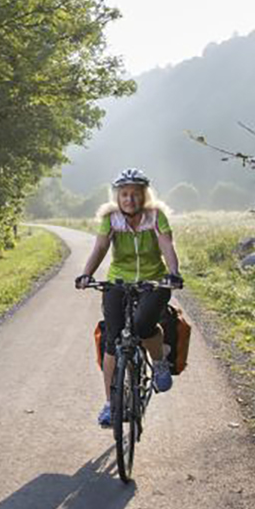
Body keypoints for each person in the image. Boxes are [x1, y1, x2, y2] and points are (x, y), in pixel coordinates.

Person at [74, 168, 184, 428]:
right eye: (124, 194)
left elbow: (167, 245)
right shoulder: (111, 219)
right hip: (118, 280)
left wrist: (173, 273)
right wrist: (86, 274)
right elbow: (100, 247)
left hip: (153, 280)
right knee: (112, 339)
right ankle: (111, 405)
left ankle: (158, 363)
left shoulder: (156, 216)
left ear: (144, 195)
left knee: (143, 325)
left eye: (135, 194)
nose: (129, 199)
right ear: (117, 197)